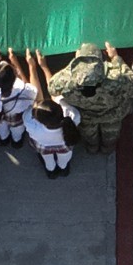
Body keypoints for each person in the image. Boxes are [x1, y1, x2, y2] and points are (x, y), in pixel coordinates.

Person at [48, 42, 133, 153]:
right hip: (113, 114)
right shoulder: (116, 77)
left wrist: (74, 65)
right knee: (111, 133)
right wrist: (116, 59)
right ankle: (108, 148)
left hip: (85, 116)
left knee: (89, 135)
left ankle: (92, 148)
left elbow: (52, 89)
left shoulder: (66, 81)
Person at [24, 49, 81, 177]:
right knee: (64, 159)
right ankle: (63, 169)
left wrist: (32, 67)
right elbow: (54, 91)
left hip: (44, 148)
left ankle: (51, 171)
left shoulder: (31, 123)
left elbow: (36, 100)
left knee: (47, 160)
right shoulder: (71, 115)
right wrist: (44, 66)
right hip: (64, 148)